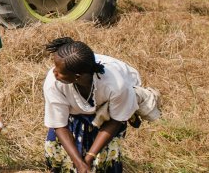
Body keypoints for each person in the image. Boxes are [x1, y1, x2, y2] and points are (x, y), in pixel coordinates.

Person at [42, 37, 161, 173]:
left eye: (59, 71)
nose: (53, 72)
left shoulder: (116, 85)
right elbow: (59, 124)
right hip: (72, 113)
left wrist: (88, 158)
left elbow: (116, 120)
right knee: (62, 158)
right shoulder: (53, 82)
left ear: (77, 76)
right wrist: (79, 162)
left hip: (107, 115)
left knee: (103, 162)